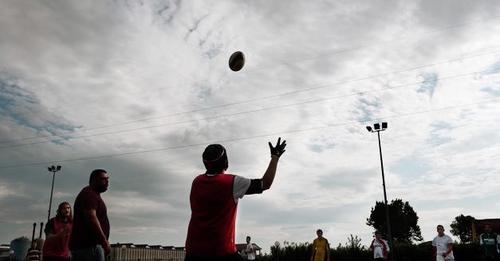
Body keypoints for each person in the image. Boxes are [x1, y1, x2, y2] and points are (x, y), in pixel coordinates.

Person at [184, 138, 287, 261]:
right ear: (225, 161)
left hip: (193, 251)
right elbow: (265, 183)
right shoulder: (232, 183)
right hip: (220, 251)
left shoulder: (197, 182)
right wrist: (275, 157)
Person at [69, 169, 111, 261]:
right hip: (89, 248)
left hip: (86, 248)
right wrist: (104, 242)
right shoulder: (90, 194)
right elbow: (91, 218)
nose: (107, 182)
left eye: (108, 179)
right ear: (94, 180)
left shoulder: (91, 194)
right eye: (103, 179)